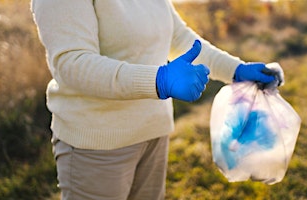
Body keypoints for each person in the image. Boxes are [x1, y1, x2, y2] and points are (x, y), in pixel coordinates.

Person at [31, 0, 282, 199]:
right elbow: (73, 64)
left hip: (152, 132)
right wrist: (158, 80)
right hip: (97, 146)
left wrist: (236, 70)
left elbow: (181, 39)